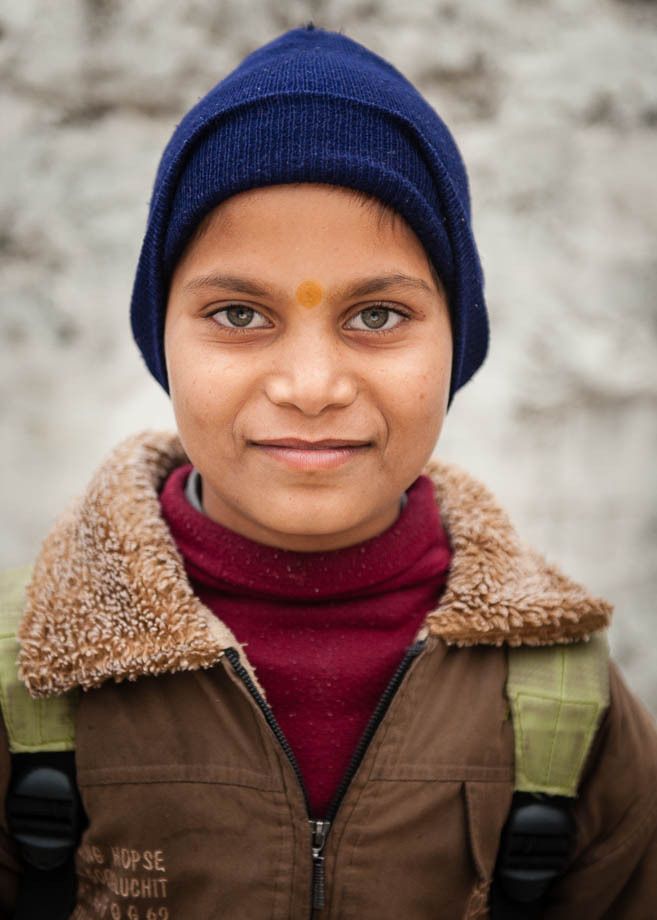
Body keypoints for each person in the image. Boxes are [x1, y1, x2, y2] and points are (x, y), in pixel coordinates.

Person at [1, 24, 656, 920]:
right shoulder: (26, 675)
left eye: (378, 316)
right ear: (162, 337)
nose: (310, 388)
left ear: (458, 340)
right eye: (238, 312)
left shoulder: (562, 698)